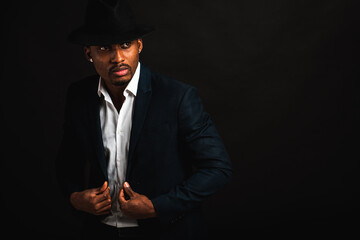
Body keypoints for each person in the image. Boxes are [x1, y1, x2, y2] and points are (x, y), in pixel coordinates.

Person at [56, 0, 232, 239]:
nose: (117, 57)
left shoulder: (177, 97)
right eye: (104, 48)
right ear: (89, 53)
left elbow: (217, 168)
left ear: (139, 45)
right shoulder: (78, 96)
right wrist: (74, 197)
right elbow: (68, 162)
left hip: (165, 232)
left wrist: (157, 206)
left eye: (125, 45)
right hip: (100, 231)